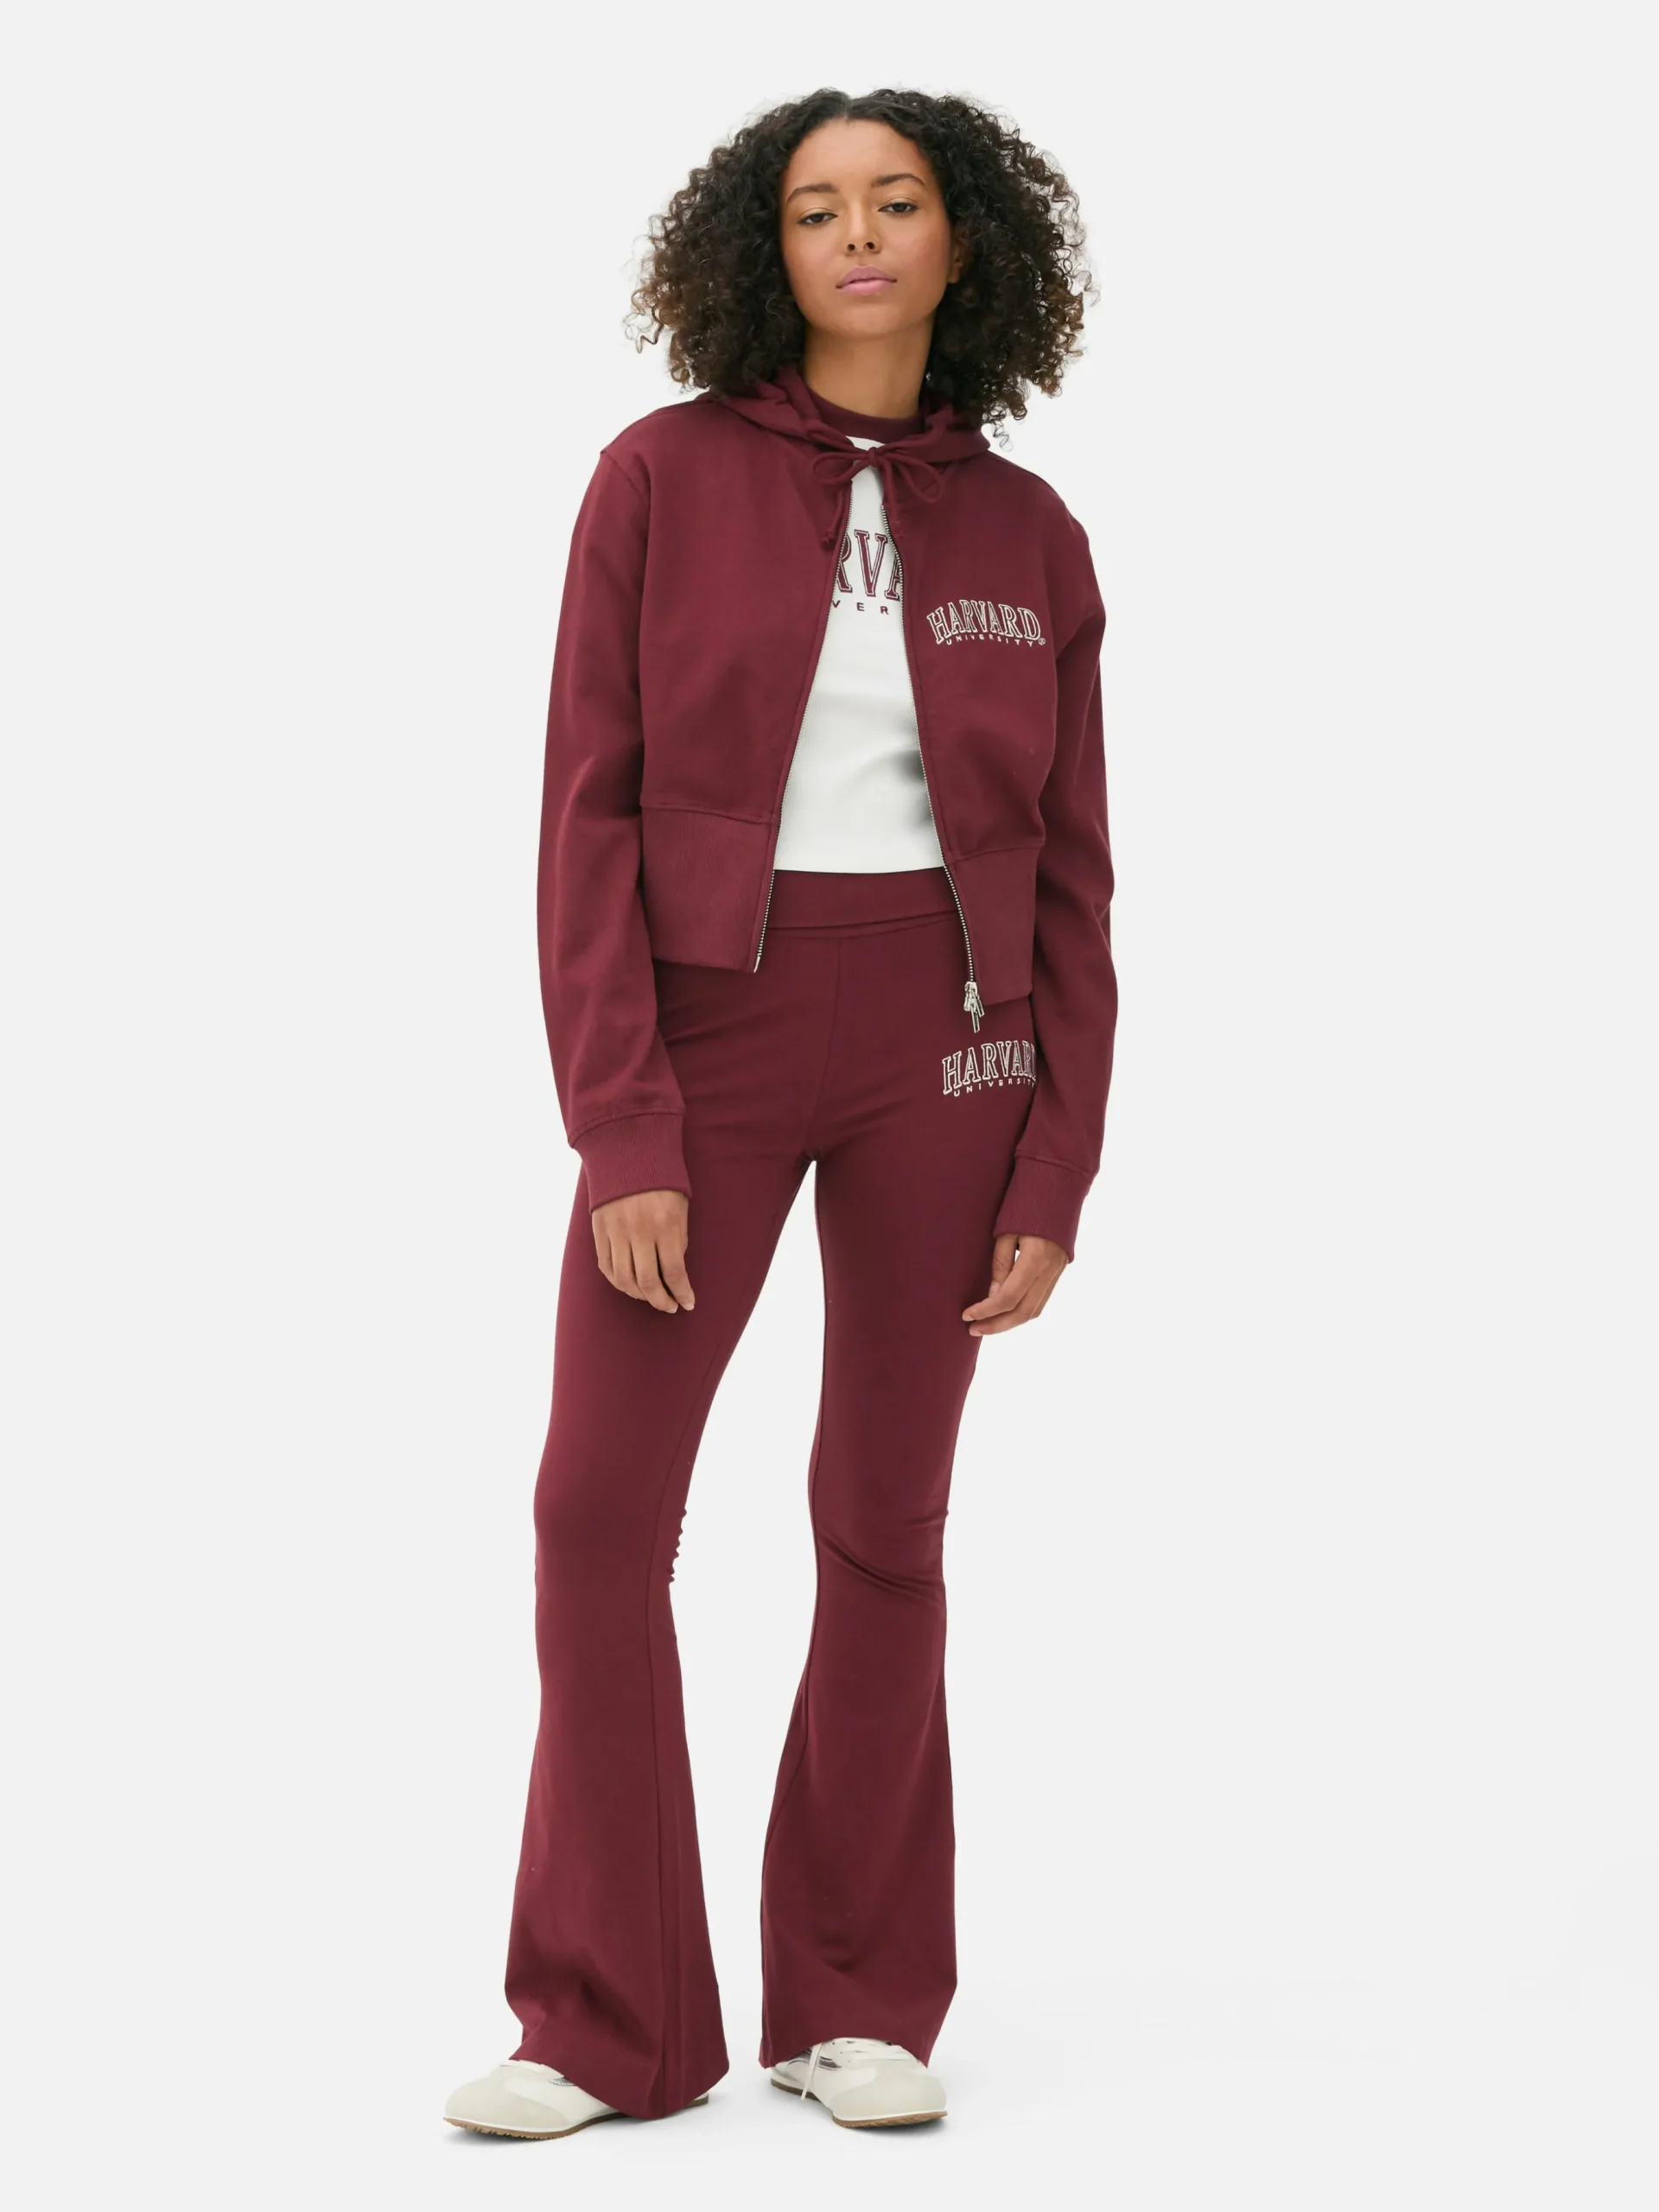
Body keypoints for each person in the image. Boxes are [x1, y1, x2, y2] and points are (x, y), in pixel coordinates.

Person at [444, 84, 1116, 2141]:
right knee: (595, 1512)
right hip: (705, 1034)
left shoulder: (1030, 531)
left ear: (962, 243)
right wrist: (622, 1125)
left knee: (883, 1517)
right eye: (819, 208)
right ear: (768, 248)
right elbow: (587, 816)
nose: (858, 235)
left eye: (896, 201)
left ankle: (857, 1996)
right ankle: (605, 2017)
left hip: (950, 1050)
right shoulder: (657, 477)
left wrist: (1059, 1155)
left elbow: (1075, 874)